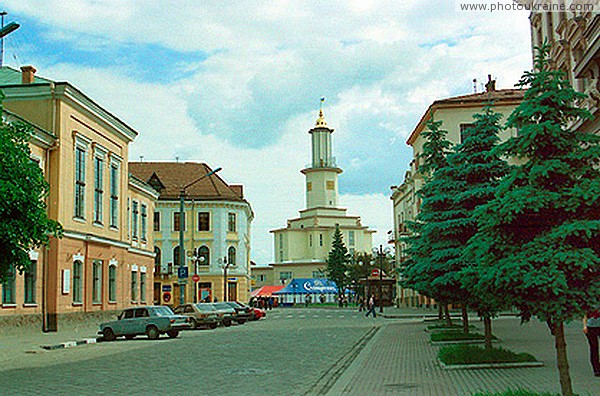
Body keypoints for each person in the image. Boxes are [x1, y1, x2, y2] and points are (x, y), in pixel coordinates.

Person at [583, 308, 600, 376]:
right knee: (594, 347)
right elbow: (585, 315)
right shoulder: (590, 301)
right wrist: (584, 326)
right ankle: (596, 369)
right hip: (591, 327)